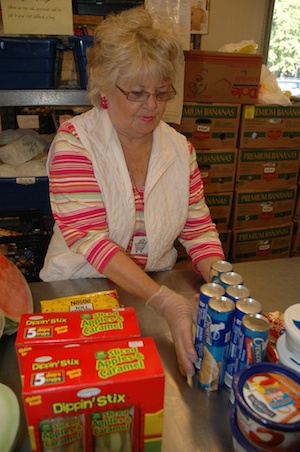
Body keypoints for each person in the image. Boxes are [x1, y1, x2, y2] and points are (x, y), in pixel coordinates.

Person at [40, 6, 225, 377]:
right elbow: (92, 240)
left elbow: (199, 231)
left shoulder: (180, 149)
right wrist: (165, 303)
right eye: (138, 93)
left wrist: (223, 285)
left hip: (155, 286)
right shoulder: (75, 144)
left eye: (162, 91)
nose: (153, 105)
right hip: (80, 291)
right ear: (105, 89)